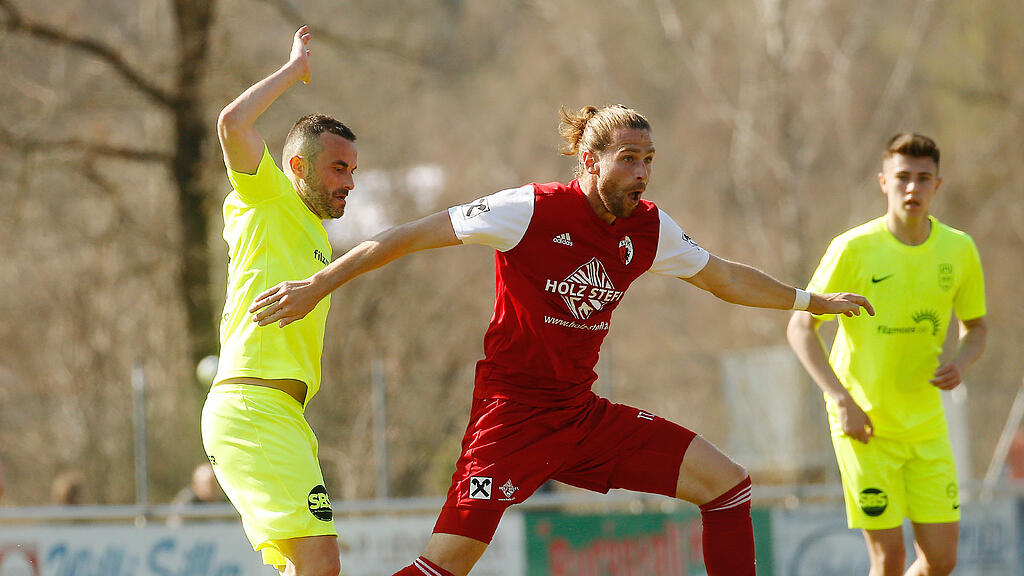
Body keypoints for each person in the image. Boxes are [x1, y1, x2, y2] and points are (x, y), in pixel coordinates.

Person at [250, 104, 873, 576]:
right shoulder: (529, 210)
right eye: (628, 158)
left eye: (649, 159)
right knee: (445, 566)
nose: (642, 173)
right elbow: (408, 235)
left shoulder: (650, 229)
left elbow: (727, 278)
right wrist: (317, 284)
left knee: (729, 485)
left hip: (580, 414)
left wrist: (813, 301)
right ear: (589, 160)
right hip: (511, 416)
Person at [787, 133, 987, 576]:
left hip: (926, 427)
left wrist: (961, 362)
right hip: (865, 426)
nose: (912, 188)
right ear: (883, 182)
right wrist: (841, 400)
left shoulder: (959, 249)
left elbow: (976, 328)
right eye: (902, 178)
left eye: (923, 178)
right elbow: (801, 327)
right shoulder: (852, 249)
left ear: (938, 184)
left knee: (941, 561)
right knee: (889, 558)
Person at [201, 26, 356, 576]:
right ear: (297, 167)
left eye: (353, 171)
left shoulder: (317, 235)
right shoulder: (266, 197)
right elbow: (232, 124)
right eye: (338, 168)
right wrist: (294, 71)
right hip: (252, 408)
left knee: (303, 568)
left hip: (284, 416)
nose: (349, 182)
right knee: (320, 563)